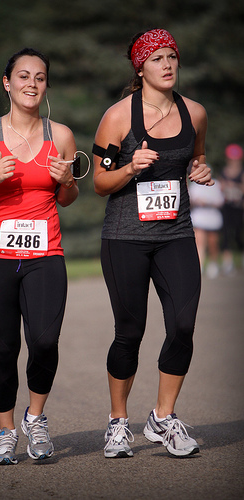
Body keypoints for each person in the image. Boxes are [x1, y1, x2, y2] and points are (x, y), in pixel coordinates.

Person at [93, 28, 214, 459]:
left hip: (176, 235)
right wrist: (130, 167)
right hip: (125, 238)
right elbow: (100, 182)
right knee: (129, 333)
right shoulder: (118, 116)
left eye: (172, 57)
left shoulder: (195, 112)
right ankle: (118, 423)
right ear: (140, 67)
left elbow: (196, 158)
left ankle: (163, 418)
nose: (167, 65)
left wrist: (202, 171)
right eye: (157, 58)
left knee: (183, 325)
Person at [0, 48, 79, 465]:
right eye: (23, 76)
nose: (31, 83)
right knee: (4, 348)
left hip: (46, 252)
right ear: (7, 83)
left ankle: (36, 418)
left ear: (46, 85)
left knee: (45, 341)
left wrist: (66, 182)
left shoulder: (59, 135)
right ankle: (6, 430)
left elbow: (68, 197)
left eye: (40, 77)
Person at [189, 175, 224, 279]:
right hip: (199, 217)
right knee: (199, 243)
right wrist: (198, 201)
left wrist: (209, 202)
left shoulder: (216, 184)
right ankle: (200, 265)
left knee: (213, 243)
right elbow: (191, 199)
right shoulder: (195, 185)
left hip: (212, 217)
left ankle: (213, 263)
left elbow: (220, 200)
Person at [219, 144, 244, 274]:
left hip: (239, 208)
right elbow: (219, 189)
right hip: (226, 207)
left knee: (239, 236)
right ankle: (227, 263)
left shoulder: (241, 173)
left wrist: (234, 185)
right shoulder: (224, 172)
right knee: (226, 235)